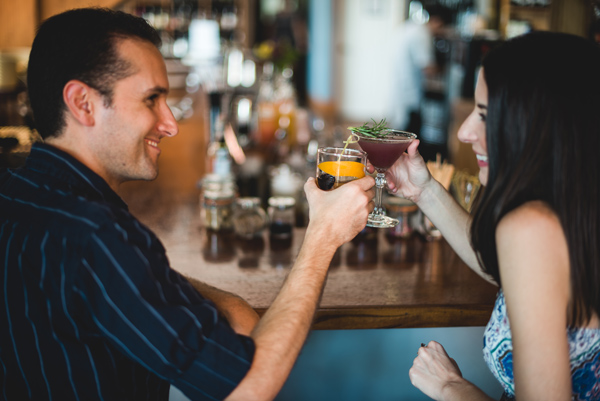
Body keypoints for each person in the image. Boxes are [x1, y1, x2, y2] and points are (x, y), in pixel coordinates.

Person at [0, 8, 375, 401]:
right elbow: (246, 391)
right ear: (83, 103)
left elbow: (119, 285)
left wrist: (159, 277)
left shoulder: (16, 191)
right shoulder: (98, 236)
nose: (171, 124)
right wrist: (323, 236)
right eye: (151, 99)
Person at [381, 31, 600, 400]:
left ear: (538, 126)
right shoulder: (573, 211)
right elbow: (507, 269)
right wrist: (425, 190)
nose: (465, 132)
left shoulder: (531, 227)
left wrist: (452, 387)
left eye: (485, 116)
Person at [386, 4, 451, 160]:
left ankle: (397, 165)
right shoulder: (422, 34)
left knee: (400, 132)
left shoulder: (409, 27)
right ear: (437, 21)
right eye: (441, 27)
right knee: (408, 134)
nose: (439, 32)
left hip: (400, 86)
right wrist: (446, 69)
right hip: (409, 92)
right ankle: (404, 167)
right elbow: (428, 67)